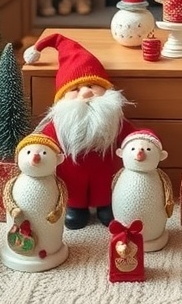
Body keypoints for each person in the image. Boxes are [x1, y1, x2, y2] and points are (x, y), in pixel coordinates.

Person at [35, 32, 134, 229]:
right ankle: (76, 208)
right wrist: (34, 148)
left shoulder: (114, 120)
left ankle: (105, 206)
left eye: (92, 85)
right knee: (74, 189)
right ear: (62, 98)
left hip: (105, 175)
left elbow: (133, 135)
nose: (86, 92)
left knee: (105, 188)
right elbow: (43, 140)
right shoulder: (59, 123)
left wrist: (143, 140)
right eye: (76, 89)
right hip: (72, 177)